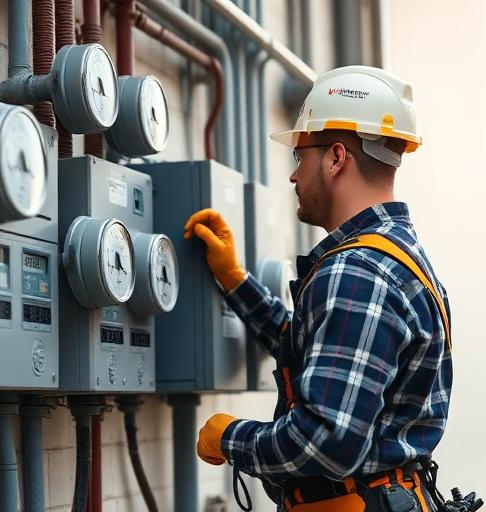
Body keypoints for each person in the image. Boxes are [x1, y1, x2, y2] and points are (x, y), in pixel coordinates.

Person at [186, 66, 454, 512]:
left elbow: (326, 442)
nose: (293, 176)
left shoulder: (358, 272)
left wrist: (229, 436)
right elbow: (320, 349)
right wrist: (234, 279)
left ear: (335, 158)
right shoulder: (395, 258)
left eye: (300, 157)